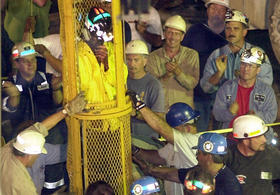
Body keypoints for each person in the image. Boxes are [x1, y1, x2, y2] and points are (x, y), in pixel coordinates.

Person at [1, 41, 66, 193]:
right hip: (23, 136)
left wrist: (56, 89)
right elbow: (9, 107)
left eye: (34, 60)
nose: (31, 64)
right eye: (26, 61)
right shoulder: (9, 84)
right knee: (28, 173)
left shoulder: (47, 78)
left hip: (48, 131)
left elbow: (57, 102)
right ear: (16, 63)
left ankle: (54, 189)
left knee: (58, 145)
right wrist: (14, 96)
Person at [0, 92, 87, 195]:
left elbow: (42, 127)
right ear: (30, 155)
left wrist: (67, 110)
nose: (38, 156)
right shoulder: (23, 187)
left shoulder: (7, 149)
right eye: (38, 153)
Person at [127, 90, 200, 195]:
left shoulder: (193, 141)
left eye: (172, 129)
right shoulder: (177, 145)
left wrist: (139, 105)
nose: (168, 135)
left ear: (186, 127)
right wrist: (136, 151)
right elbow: (158, 157)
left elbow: (161, 128)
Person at [181, 0, 229, 131]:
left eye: (221, 10)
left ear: (226, 14)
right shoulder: (196, 31)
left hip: (223, 96)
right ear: (207, 10)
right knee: (199, 132)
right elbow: (182, 57)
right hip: (198, 94)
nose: (216, 13)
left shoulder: (231, 35)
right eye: (213, 9)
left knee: (221, 134)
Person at [200, 9, 273, 96]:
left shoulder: (257, 54)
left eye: (236, 28)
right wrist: (218, 74)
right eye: (228, 28)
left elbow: (266, 85)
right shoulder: (216, 55)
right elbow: (205, 88)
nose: (231, 32)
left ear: (244, 32)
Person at [213, 46, 277, 129]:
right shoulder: (227, 88)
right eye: (243, 64)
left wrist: (255, 116)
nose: (246, 69)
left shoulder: (266, 91)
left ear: (258, 70)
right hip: (231, 137)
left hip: (256, 137)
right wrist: (229, 113)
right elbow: (217, 114)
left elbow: (272, 115)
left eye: (250, 66)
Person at [146, 15, 199, 112]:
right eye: (170, 33)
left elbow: (192, 84)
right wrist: (166, 76)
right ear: (164, 34)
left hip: (185, 113)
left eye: (177, 34)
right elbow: (151, 88)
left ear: (182, 37)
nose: (173, 37)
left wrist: (178, 73)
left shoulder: (191, 55)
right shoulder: (152, 57)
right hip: (161, 112)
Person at [77, 6, 128, 103]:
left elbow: (121, 81)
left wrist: (106, 65)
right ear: (87, 33)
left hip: (112, 110)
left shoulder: (111, 48)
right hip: (91, 112)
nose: (100, 41)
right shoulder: (78, 54)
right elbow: (82, 87)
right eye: (96, 37)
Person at [225, 115, 280, 195]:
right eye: (259, 137)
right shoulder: (228, 159)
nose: (264, 140)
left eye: (263, 135)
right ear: (246, 141)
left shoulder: (272, 155)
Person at [126, 40, 164, 139]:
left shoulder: (153, 84)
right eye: (129, 60)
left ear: (145, 61)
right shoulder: (122, 80)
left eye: (136, 60)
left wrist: (135, 113)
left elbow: (159, 117)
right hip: (125, 137)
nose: (131, 64)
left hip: (146, 139)